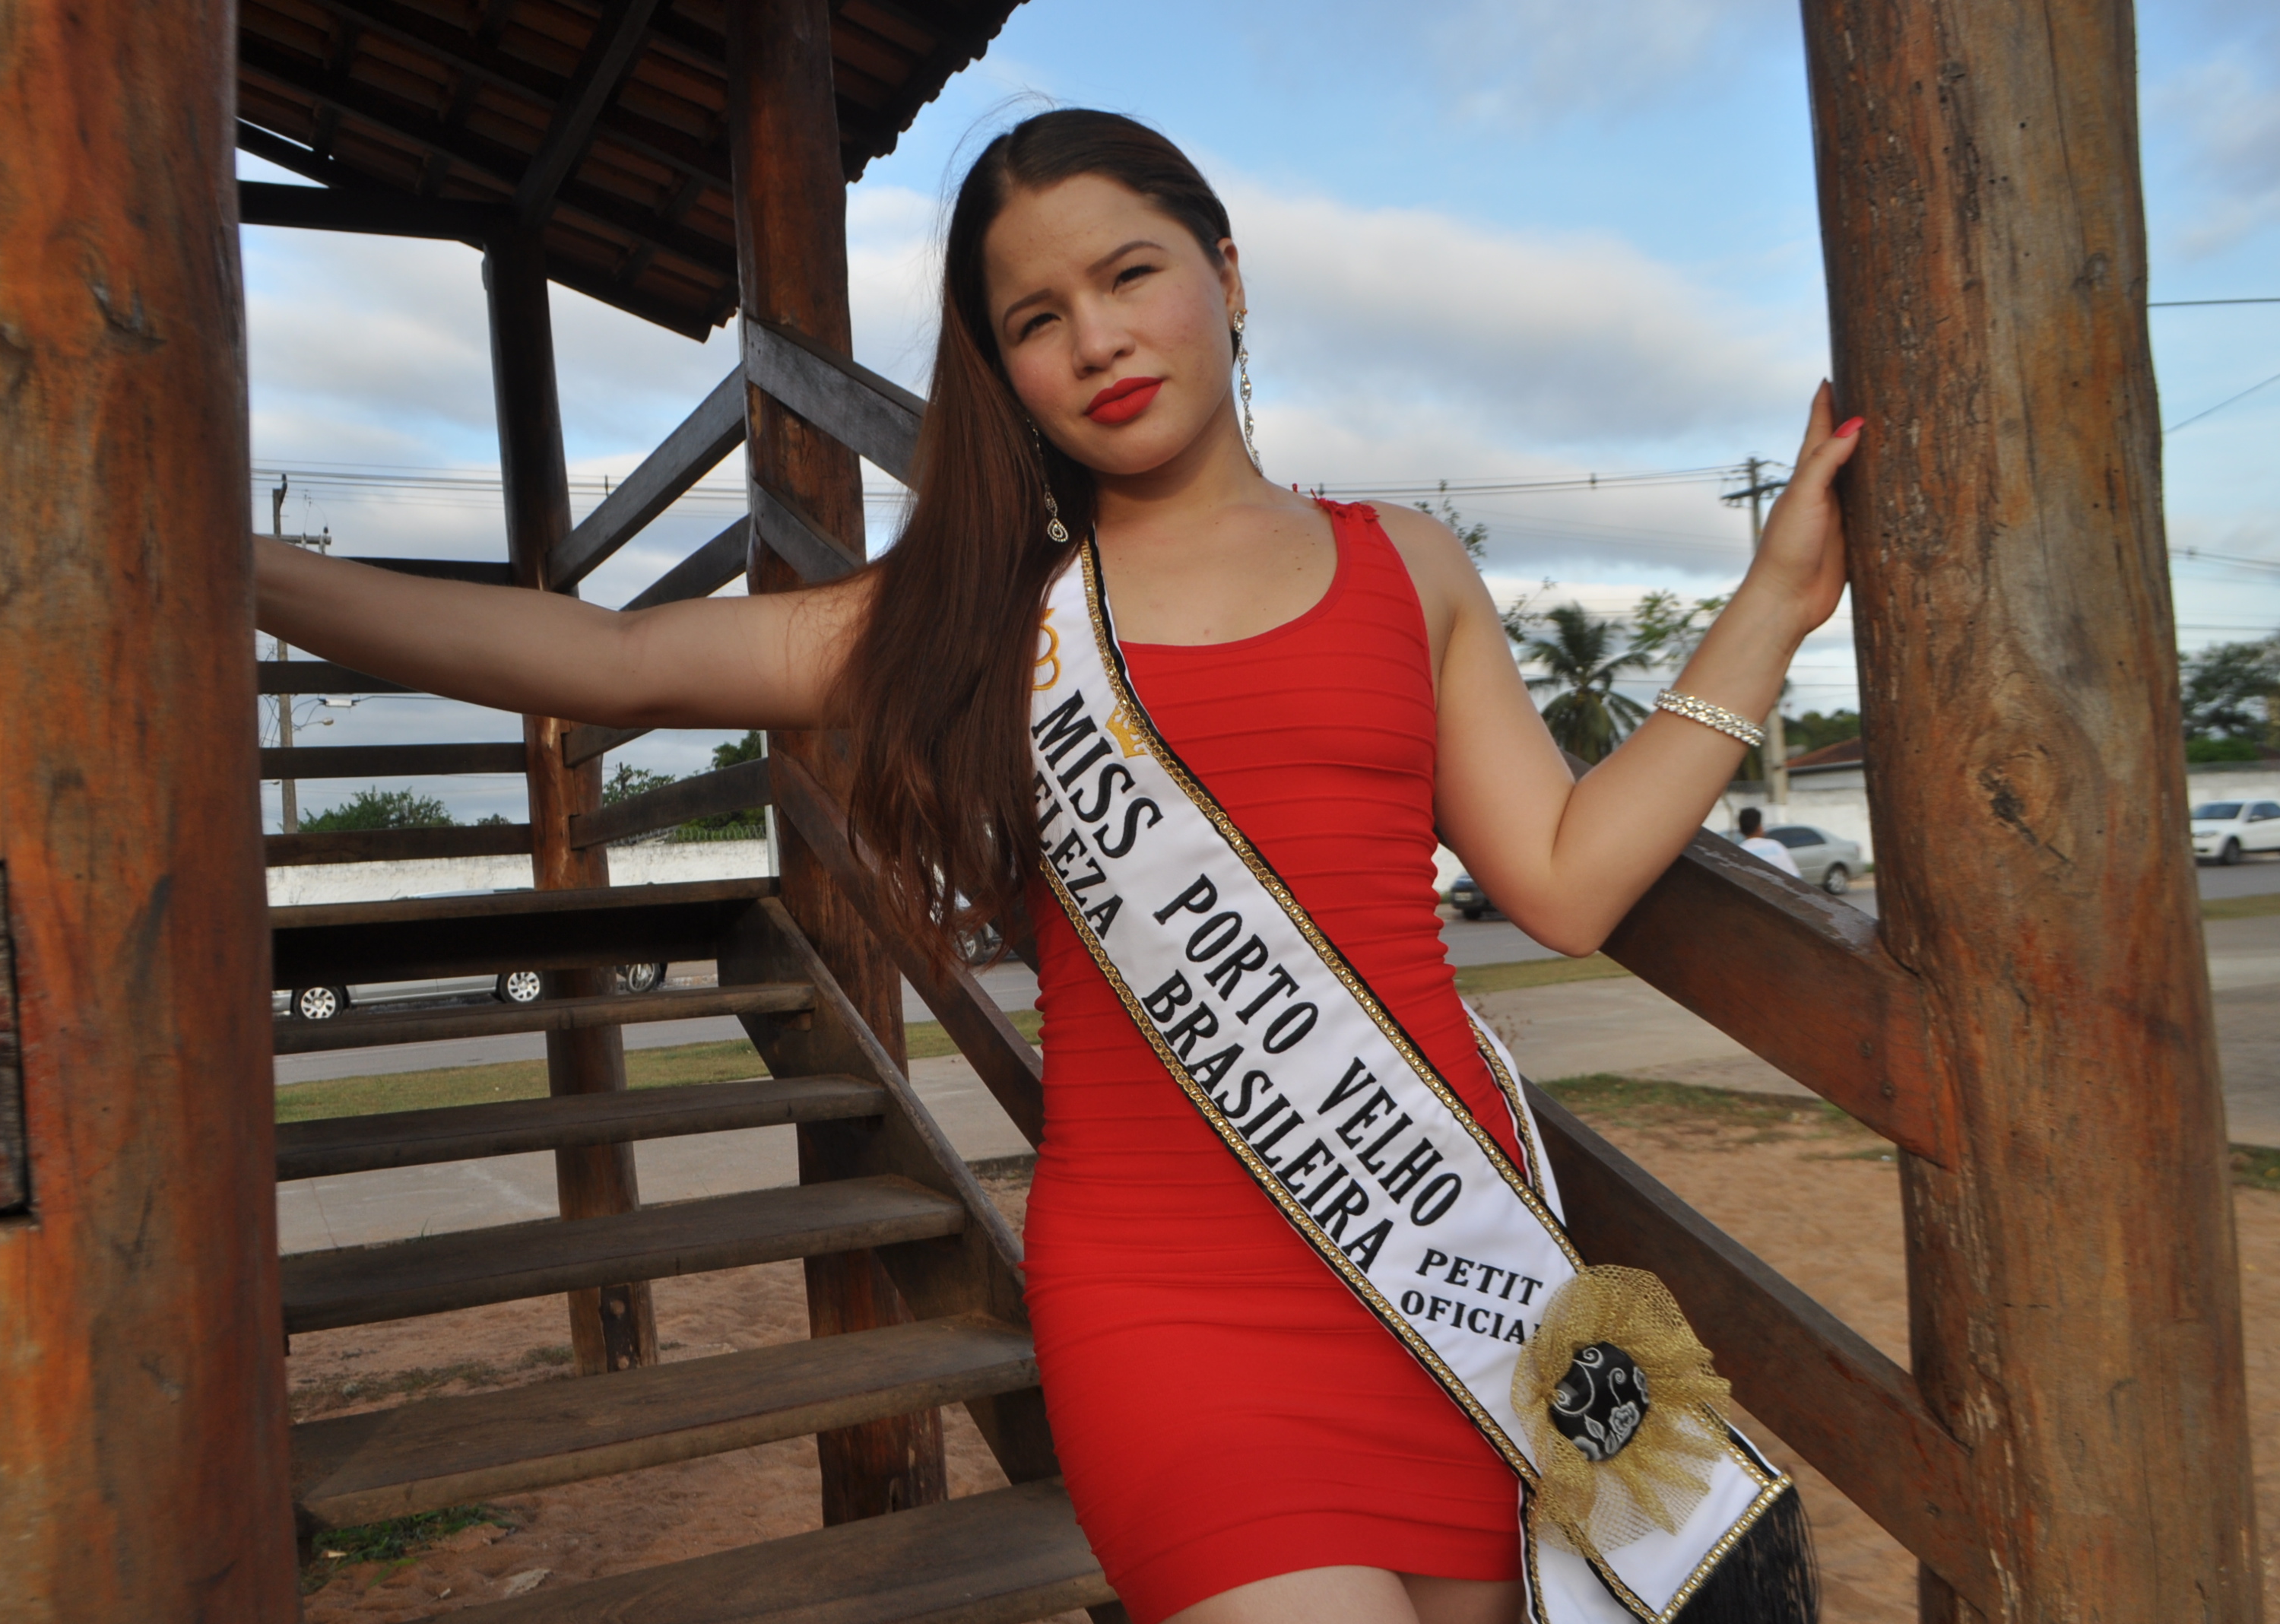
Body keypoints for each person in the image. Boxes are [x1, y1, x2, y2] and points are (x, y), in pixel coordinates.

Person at [255, 109, 1859, 1624]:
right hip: (1170, 1316)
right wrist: (242, 559)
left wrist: (1775, 607)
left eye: (1129, 275)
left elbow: (1565, 883)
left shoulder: (1408, 568)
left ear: (1224, 278)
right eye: (1034, 319)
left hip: (1444, 1287)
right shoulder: (978, 626)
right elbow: (613, 661)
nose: (1094, 339)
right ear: (1004, 374)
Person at [1736, 806, 1804, 878]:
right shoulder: (1776, 846)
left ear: (1741, 831)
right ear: (1760, 828)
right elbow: (1795, 876)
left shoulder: (1739, 853)